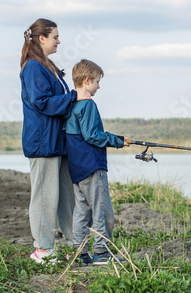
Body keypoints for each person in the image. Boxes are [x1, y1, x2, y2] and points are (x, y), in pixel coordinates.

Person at [20, 18, 91, 263]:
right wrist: (75, 96)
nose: (59, 41)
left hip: (58, 144)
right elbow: (43, 103)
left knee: (67, 198)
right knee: (44, 197)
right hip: (43, 145)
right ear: (42, 38)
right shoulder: (33, 67)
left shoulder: (46, 65)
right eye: (55, 37)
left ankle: (77, 248)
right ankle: (42, 251)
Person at [63, 59, 130, 265]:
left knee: (82, 212)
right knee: (101, 210)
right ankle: (102, 253)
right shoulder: (88, 105)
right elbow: (92, 136)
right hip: (92, 166)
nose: (99, 86)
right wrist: (117, 140)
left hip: (77, 169)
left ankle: (80, 254)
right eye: (98, 81)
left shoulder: (71, 106)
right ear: (87, 80)